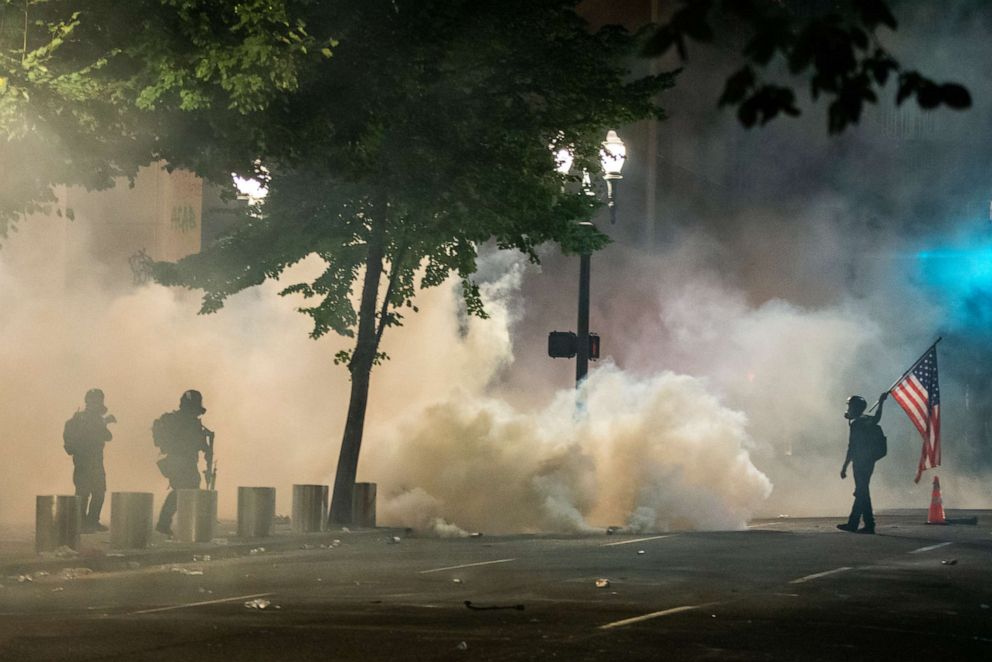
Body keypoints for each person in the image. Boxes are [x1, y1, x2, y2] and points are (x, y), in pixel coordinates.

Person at [152, 389, 214, 536]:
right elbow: (195, 442)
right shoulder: (188, 422)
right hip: (180, 461)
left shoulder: (179, 419)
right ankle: (167, 523)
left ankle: (171, 522)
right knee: (184, 490)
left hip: (180, 460)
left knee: (183, 489)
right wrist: (206, 447)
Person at [63, 388, 116, 533]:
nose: (96, 403)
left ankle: (92, 521)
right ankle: (81, 522)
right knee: (83, 492)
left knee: (99, 492)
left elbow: (107, 436)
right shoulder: (80, 419)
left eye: (98, 400)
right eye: (94, 400)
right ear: (88, 402)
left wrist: (103, 423)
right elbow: (86, 436)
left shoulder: (97, 419)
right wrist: (103, 422)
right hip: (83, 461)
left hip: (96, 461)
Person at [838, 391, 888, 534]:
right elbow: (877, 418)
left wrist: (844, 466)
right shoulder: (864, 420)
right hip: (868, 461)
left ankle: (865, 524)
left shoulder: (858, 423)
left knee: (862, 492)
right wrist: (881, 402)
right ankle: (857, 523)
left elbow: (851, 447)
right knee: (861, 492)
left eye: (850, 406)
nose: (848, 409)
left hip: (861, 463)